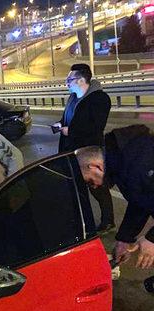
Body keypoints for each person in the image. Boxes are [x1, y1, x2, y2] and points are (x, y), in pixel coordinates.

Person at [76, 125, 154, 269]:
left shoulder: (140, 161)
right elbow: (140, 202)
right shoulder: (123, 162)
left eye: (90, 181)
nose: (93, 187)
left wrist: (151, 239)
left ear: (95, 166)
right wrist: (124, 239)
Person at [53, 63, 114, 234]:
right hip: (70, 151)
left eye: (69, 79)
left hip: (90, 152)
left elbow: (96, 127)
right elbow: (67, 119)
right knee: (76, 190)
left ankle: (108, 221)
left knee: (97, 188)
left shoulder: (100, 99)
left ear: (81, 80)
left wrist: (70, 130)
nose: (67, 83)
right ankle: (84, 223)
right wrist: (60, 124)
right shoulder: (73, 98)